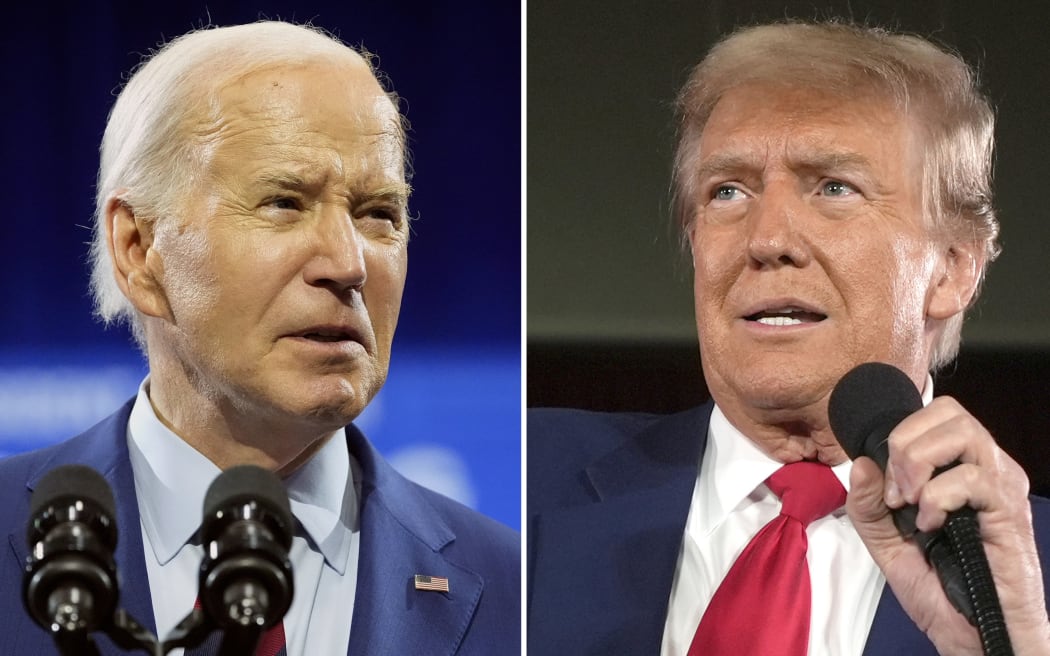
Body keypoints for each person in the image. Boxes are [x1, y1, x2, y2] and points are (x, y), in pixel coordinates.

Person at [528, 20, 1050, 655]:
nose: (767, 239)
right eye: (727, 191)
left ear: (953, 267)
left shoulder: (1028, 587)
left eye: (834, 187)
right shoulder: (520, 481)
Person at [0, 21, 519, 655]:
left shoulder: (512, 593)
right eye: (284, 203)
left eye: (378, 213)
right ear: (138, 249)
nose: (349, 263)